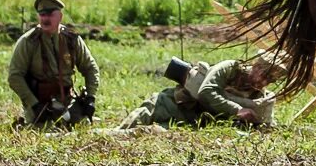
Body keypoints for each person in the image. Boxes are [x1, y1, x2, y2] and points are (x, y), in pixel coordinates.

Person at [118, 52, 286, 129]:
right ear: (256, 66)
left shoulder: (259, 98)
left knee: (141, 135)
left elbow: (265, 121)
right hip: (170, 104)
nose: (264, 81)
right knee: (119, 133)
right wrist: (237, 109)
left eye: (270, 79)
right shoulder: (230, 68)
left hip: (190, 121)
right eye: (264, 74)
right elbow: (207, 91)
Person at [8, 0, 100, 127]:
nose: (45, 19)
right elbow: (15, 77)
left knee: (83, 127)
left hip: (67, 101)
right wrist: (34, 104)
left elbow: (90, 68)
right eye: (42, 15)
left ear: (60, 17)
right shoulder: (28, 42)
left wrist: (90, 98)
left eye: (50, 14)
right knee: (45, 132)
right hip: (40, 103)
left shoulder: (71, 40)